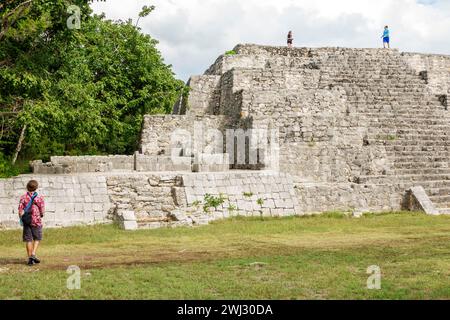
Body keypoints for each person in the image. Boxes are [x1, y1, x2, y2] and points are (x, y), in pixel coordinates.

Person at [18, 180, 45, 266]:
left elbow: (20, 210)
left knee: (28, 239)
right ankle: (33, 254)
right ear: (36, 187)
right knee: (37, 238)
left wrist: (21, 219)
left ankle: (30, 258)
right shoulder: (39, 197)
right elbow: (42, 210)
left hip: (27, 220)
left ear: (27, 187)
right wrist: (41, 214)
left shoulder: (23, 197)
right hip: (36, 220)